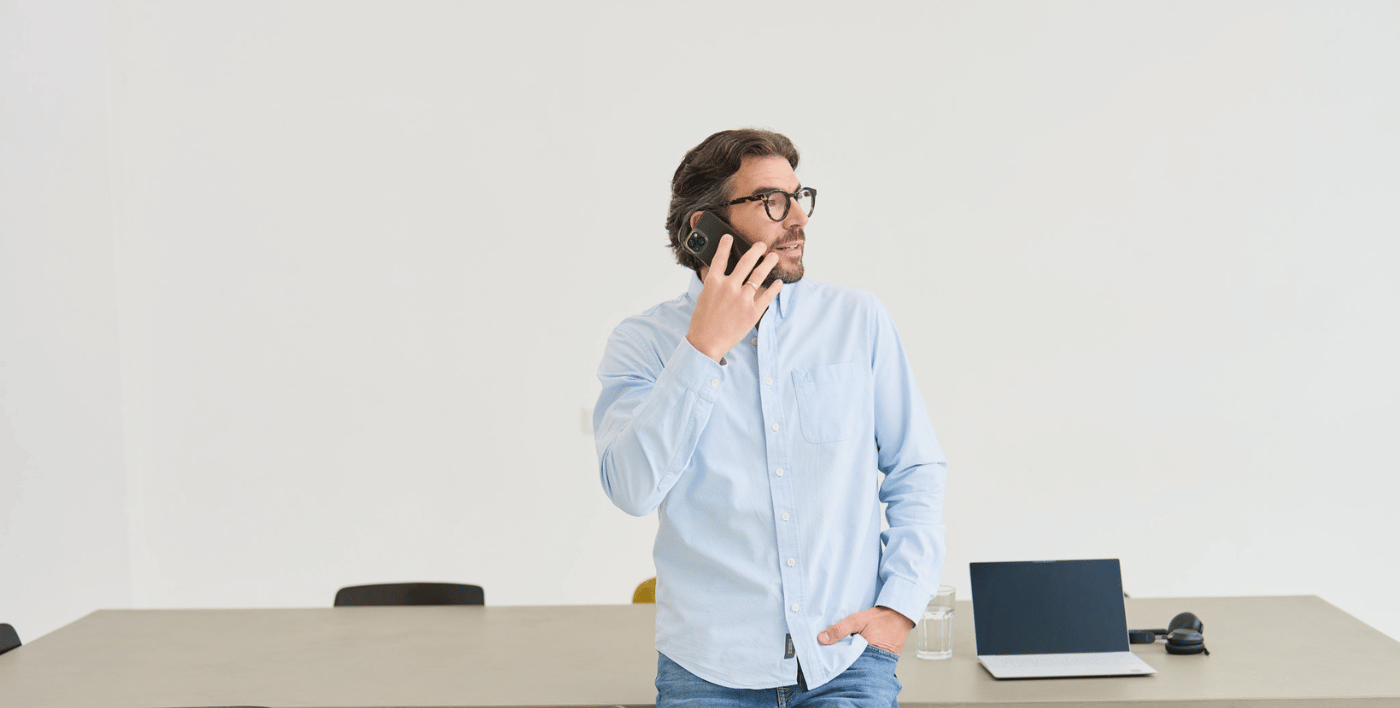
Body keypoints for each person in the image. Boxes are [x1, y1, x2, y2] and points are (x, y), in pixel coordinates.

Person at [593, 128, 947, 707]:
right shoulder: (643, 344)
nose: (798, 220)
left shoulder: (856, 320)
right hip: (705, 672)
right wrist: (702, 350)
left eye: (799, 196)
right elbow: (632, 490)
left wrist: (899, 608)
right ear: (703, 226)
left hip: (845, 665)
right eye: (771, 201)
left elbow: (917, 468)